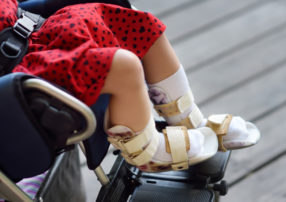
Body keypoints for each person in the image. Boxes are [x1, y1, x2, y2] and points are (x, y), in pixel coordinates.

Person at [1, 0, 260, 173]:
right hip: (19, 76)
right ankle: (148, 152)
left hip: (28, 27)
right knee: (121, 64)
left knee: (129, 17)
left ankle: (186, 119)